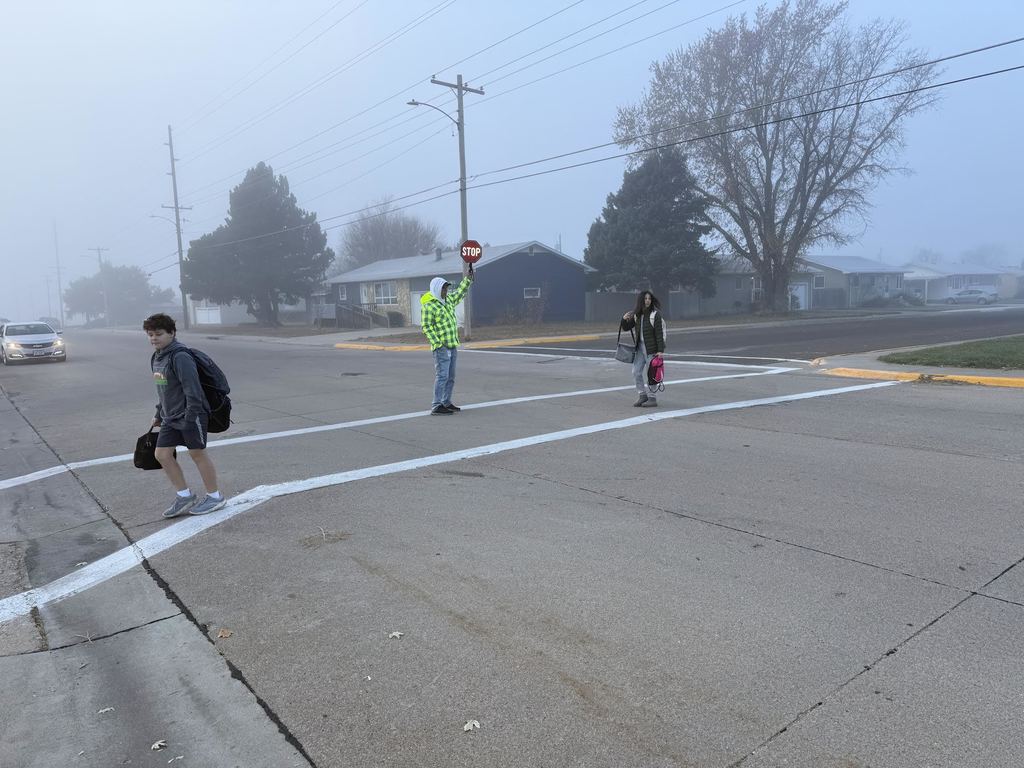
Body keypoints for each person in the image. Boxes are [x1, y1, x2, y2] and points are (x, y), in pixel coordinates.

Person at [143, 313, 226, 517]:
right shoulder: (157, 357)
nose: (154, 338)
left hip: (191, 414)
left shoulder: (180, 356)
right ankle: (184, 496)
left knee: (197, 454)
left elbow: (193, 390)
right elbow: (163, 389)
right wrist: (158, 413)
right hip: (170, 416)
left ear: (171, 333)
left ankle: (215, 497)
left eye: (159, 334)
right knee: (162, 454)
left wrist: (190, 418)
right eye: (150, 334)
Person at [420, 263, 474, 414]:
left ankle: (446, 401)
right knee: (442, 376)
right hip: (441, 348)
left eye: (447, 288)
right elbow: (426, 327)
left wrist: (468, 279)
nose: (446, 291)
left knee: (451, 377)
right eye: (443, 289)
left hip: (452, 345)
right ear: (437, 289)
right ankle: (436, 405)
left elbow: (460, 293)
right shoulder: (429, 306)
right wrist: (437, 344)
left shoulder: (448, 300)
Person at [621, 290, 666, 407]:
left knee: (651, 374)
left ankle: (652, 397)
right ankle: (642, 395)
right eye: (645, 299)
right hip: (640, 349)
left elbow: (659, 334)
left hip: (652, 350)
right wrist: (624, 319)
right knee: (636, 372)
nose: (647, 301)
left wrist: (660, 350)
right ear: (641, 300)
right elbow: (626, 327)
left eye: (649, 299)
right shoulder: (637, 315)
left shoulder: (655, 315)